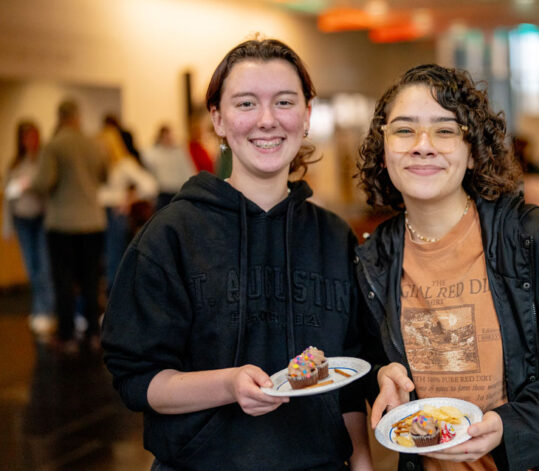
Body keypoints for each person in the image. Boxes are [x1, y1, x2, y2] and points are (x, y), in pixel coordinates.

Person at [101, 37, 373, 471]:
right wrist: (228, 385)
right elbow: (138, 380)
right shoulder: (171, 235)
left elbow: (347, 377)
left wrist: (361, 464)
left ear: (306, 114)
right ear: (219, 119)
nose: (267, 120)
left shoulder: (333, 238)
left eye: (284, 102)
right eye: (246, 104)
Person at [355, 64, 539, 470]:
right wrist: (385, 374)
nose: (422, 145)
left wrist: (512, 427)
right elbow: (373, 361)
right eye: (404, 130)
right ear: (384, 152)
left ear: (472, 153)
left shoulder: (535, 240)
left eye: (445, 130)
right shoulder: (372, 262)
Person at [29, 99, 110, 353]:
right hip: (93, 221)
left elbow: (44, 182)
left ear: (59, 117)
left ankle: (67, 335)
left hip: (63, 223)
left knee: (63, 280)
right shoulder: (94, 145)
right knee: (90, 278)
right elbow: (104, 176)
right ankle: (93, 332)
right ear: (78, 117)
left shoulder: (54, 145)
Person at [2, 120, 55, 338]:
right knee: (31, 266)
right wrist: (6, 227)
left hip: (41, 218)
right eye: (27, 137)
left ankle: (47, 310)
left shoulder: (44, 161)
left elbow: (47, 187)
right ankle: (38, 308)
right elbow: (8, 197)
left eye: (34, 136)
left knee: (44, 265)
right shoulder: (15, 165)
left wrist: (32, 185)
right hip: (22, 219)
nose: (31, 141)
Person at [99, 117, 158, 295]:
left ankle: (114, 301)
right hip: (98, 214)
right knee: (104, 261)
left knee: (114, 260)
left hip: (115, 214)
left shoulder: (124, 164)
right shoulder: (99, 167)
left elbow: (150, 185)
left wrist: (130, 198)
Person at [142, 124, 196, 210]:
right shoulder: (155, 153)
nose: (167, 139)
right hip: (162, 192)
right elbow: (148, 165)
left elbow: (187, 171)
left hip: (177, 190)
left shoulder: (179, 152)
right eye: (165, 137)